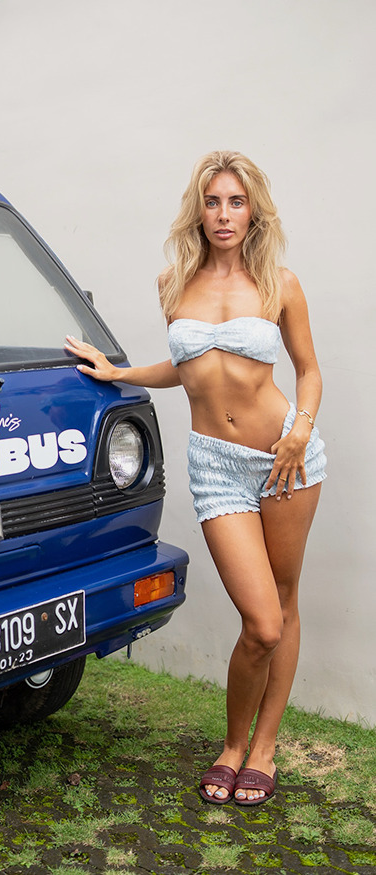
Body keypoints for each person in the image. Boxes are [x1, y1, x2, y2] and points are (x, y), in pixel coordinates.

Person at [65, 150, 326, 806]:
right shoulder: (172, 282)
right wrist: (118, 371)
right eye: (213, 202)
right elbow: (191, 368)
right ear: (198, 211)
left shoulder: (280, 283)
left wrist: (302, 425)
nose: (224, 214)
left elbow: (308, 369)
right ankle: (232, 743)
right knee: (261, 621)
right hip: (217, 466)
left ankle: (261, 748)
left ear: (253, 210)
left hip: (287, 459)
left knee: (285, 603)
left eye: (236, 201)